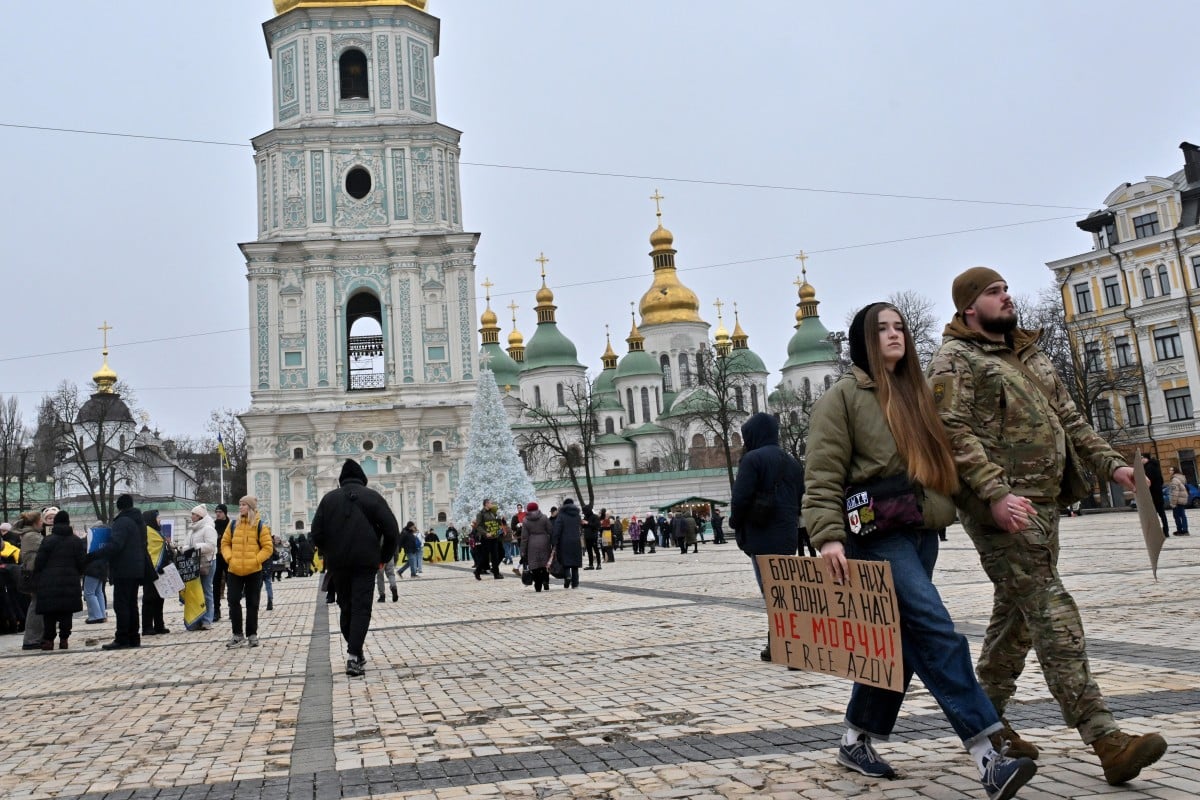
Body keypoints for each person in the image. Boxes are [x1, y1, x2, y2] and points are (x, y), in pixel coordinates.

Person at [928, 268, 1167, 785]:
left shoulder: (1028, 351)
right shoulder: (956, 359)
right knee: (1050, 607)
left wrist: (1113, 467)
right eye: (994, 292)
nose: (1006, 296)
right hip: (1002, 510)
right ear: (971, 306)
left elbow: (1071, 418)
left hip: (1044, 503)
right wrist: (993, 493)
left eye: (1005, 289)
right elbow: (950, 430)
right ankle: (1105, 736)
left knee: (1015, 617)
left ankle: (983, 719)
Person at [806, 301, 1037, 799]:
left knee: (897, 644)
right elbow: (822, 474)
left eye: (900, 327)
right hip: (877, 536)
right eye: (882, 329)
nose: (895, 335)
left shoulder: (919, 395)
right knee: (934, 629)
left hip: (922, 532)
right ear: (862, 341)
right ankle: (988, 751)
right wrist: (827, 537)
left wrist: (993, 500)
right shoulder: (842, 398)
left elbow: (947, 464)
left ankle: (856, 737)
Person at [310, 458, 400, 677]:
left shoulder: (328, 499)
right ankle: (354, 655)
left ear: (341, 480)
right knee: (361, 607)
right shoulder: (373, 497)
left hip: (338, 563)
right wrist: (383, 557)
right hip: (366, 561)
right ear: (363, 479)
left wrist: (329, 551)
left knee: (346, 606)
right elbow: (392, 530)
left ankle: (354, 651)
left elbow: (316, 533)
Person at [729, 411, 804, 662]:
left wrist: (735, 522)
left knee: (770, 590)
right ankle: (784, 641)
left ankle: (785, 644)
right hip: (787, 535)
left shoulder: (753, 459)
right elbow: (802, 495)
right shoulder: (792, 461)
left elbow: (740, 498)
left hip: (761, 534)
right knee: (783, 588)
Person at [95, 494, 148, 650]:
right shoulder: (139, 521)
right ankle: (134, 637)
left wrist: (97, 554)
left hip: (124, 568)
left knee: (122, 604)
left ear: (119, 507)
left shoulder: (122, 522)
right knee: (132, 604)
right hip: (137, 567)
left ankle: (122, 637)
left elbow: (116, 545)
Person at [221, 495, 273, 649]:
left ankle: (252, 634)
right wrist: (230, 558)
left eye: (243, 504)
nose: (240, 507)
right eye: (240, 504)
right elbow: (224, 543)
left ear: (250, 507)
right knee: (233, 600)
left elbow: (268, 547)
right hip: (234, 570)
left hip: (253, 571)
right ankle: (237, 634)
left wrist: (256, 560)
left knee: (252, 603)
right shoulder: (233, 524)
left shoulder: (260, 526)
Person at [32, 510, 86, 651]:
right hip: (70, 581)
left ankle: (48, 641)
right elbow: (82, 563)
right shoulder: (76, 541)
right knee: (66, 612)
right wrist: (76, 574)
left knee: (49, 613)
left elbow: (39, 563)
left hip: (49, 582)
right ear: (68, 523)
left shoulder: (48, 540)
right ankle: (64, 639)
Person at [16, 509, 46, 650]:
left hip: (33, 573)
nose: (43, 523)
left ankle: (35, 637)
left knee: (37, 604)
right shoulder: (32, 536)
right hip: (34, 574)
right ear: (34, 523)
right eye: (41, 521)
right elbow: (46, 549)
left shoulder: (30, 534)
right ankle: (32, 639)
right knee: (36, 605)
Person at [186, 504, 219, 629]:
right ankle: (196, 619)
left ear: (200, 516)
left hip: (207, 562)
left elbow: (211, 546)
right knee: (195, 592)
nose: (192, 516)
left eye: (194, 514)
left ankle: (207, 620)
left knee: (207, 590)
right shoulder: (192, 530)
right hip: (194, 563)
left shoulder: (208, 528)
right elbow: (186, 545)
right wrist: (185, 549)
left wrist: (195, 548)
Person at [141, 510, 170, 637]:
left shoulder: (157, 532)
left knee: (159, 598)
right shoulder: (146, 531)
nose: (160, 520)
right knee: (149, 599)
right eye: (158, 518)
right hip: (150, 569)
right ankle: (147, 627)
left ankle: (159, 625)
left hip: (161, 570)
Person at [519, 501, 552, 591]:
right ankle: (546, 581)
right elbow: (550, 530)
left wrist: (523, 550)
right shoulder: (544, 517)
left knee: (535, 565)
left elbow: (524, 538)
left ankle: (538, 585)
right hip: (544, 542)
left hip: (532, 544)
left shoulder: (525, 520)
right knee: (545, 563)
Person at [551, 498, 583, 589]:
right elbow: (580, 527)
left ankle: (568, 577)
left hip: (564, 541)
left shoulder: (561, 515)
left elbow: (557, 529)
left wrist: (554, 541)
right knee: (575, 563)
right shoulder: (577, 515)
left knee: (566, 561)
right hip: (576, 541)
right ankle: (575, 583)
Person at [473, 499, 505, 580]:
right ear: (486, 504)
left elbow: (495, 523)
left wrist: (500, 523)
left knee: (495, 556)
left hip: (494, 537)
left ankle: (496, 574)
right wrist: (485, 533)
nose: (492, 504)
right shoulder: (480, 514)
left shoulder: (492, 513)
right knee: (484, 556)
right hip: (486, 538)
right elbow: (478, 526)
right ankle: (477, 571)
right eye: (490, 503)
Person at [1141, 454, 1169, 538]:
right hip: (1158, 494)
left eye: (1142, 459)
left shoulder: (1148, 468)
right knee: (1162, 514)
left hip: (1153, 495)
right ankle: (1165, 531)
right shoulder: (1155, 466)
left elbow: (1148, 482)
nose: (1141, 461)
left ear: (1146, 459)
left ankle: (1155, 532)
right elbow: (1161, 480)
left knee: (1152, 515)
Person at [211, 504, 230, 621]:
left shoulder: (230, 525)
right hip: (217, 557)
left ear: (225, 513)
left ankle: (232, 609)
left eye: (220, 512)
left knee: (231, 583)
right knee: (216, 584)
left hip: (228, 557)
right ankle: (216, 611)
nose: (218, 514)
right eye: (216, 512)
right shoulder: (213, 526)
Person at [1168, 466, 1190, 536]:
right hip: (1182, 499)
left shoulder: (1174, 480)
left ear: (1174, 471)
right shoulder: (1180, 478)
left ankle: (1180, 530)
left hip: (1178, 500)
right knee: (1182, 515)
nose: (1169, 471)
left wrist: (1173, 503)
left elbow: (1175, 493)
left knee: (1176, 515)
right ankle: (1185, 530)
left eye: (1171, 470)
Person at [582, 504, 601, 570]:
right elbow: (584, 527)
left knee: (596, 550)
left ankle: (599, 564)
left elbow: (597, 526)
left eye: (584, 512)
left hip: (593, 536)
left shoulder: (595, 517)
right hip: (587, 536)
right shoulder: (585, 517)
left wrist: (587, 523)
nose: (584, 514)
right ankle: (591, 565)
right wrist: (582, 523)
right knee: (589, 551)